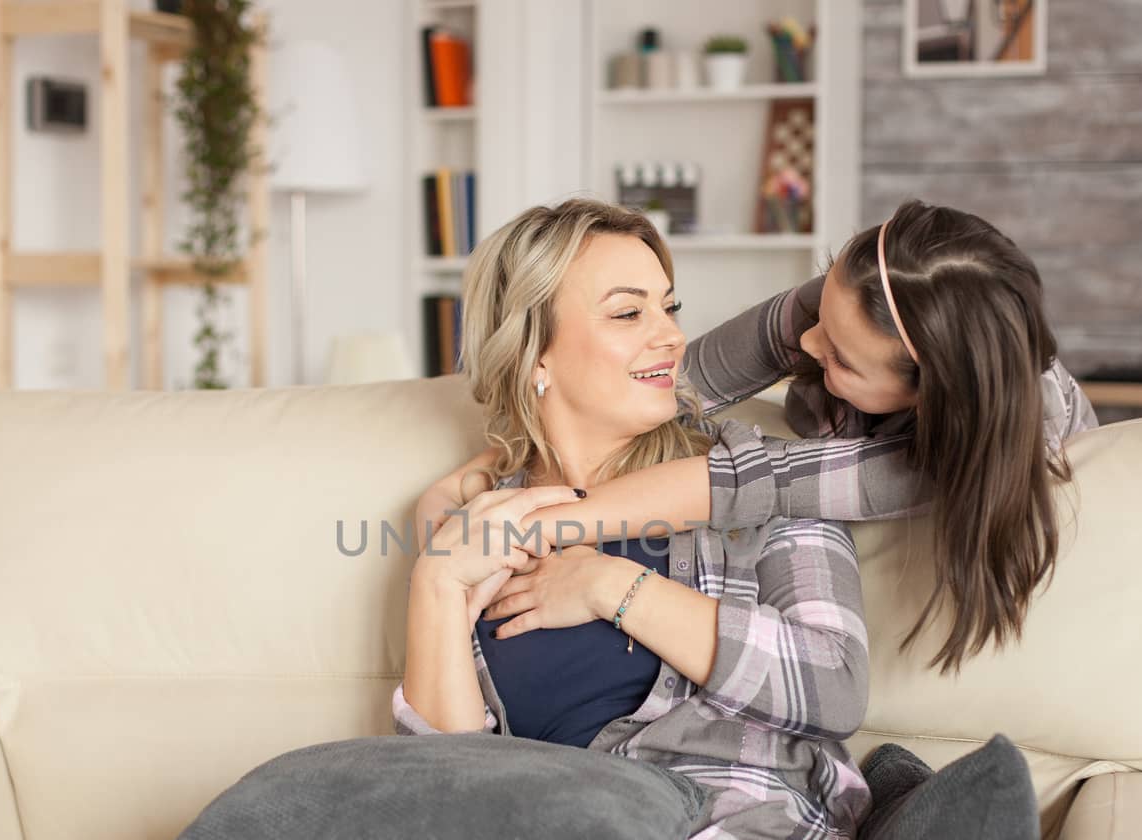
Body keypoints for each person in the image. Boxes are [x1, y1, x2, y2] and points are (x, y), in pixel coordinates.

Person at [167, 198, 875, 840]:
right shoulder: (482, 518)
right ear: (534, 354)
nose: (670, 337)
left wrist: (615, 585)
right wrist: (435, 582)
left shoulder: (750, 479)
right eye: (628, 312)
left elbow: (832, 680)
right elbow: (447, 780)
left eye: (669, 305)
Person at [422, 197, 1100, 675]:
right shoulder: (870, 293)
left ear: (922, 392)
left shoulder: (954, 443)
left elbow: (751, 483)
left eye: (837, 356)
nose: (803, 344)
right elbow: (676, 380)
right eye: (817, 314)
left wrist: (561, 526)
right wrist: (509, 456)